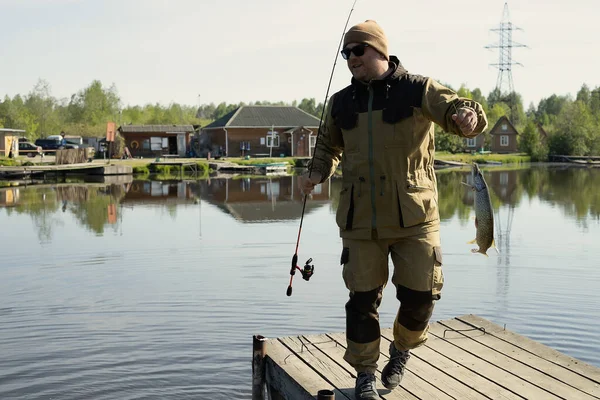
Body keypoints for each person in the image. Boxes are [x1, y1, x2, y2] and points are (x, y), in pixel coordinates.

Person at [298, 20, 488, 399]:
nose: (351, 58)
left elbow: (459, 109)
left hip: (414, 217)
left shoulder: (418, 89)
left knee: (421, 297)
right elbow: (327, 149)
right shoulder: (340, 103)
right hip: (359, 218)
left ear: (380, 51)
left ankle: (400, 349)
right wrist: (316, 172)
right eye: (346, 53)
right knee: (362, 301)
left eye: (358, 51)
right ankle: (365, 372)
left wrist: (467, 116)